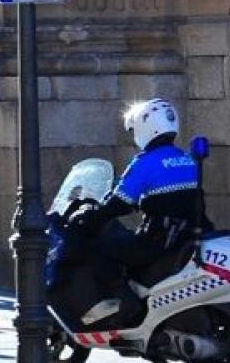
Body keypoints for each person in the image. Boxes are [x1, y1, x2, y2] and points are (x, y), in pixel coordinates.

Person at [70, 98, 209, 325]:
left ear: (145, 127)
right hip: (188, 234)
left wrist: (91, 216)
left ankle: (126, 302)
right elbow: (171, 199)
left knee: (101, 248)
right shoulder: (187, 159)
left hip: (158, 240)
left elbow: (119, 203)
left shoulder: (145, 163)